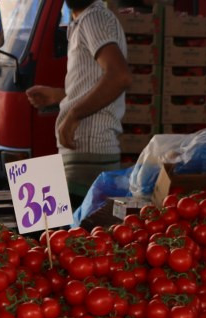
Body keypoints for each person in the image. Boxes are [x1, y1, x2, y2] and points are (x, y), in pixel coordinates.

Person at [26, 0, 131, 201]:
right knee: (52, 227)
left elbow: (120, 76)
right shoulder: (82, 21)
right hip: (82, 155)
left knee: (64, 229)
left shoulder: (94, 17)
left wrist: (74, 114)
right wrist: (59, 96)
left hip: (88, 154)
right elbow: (95, 82)